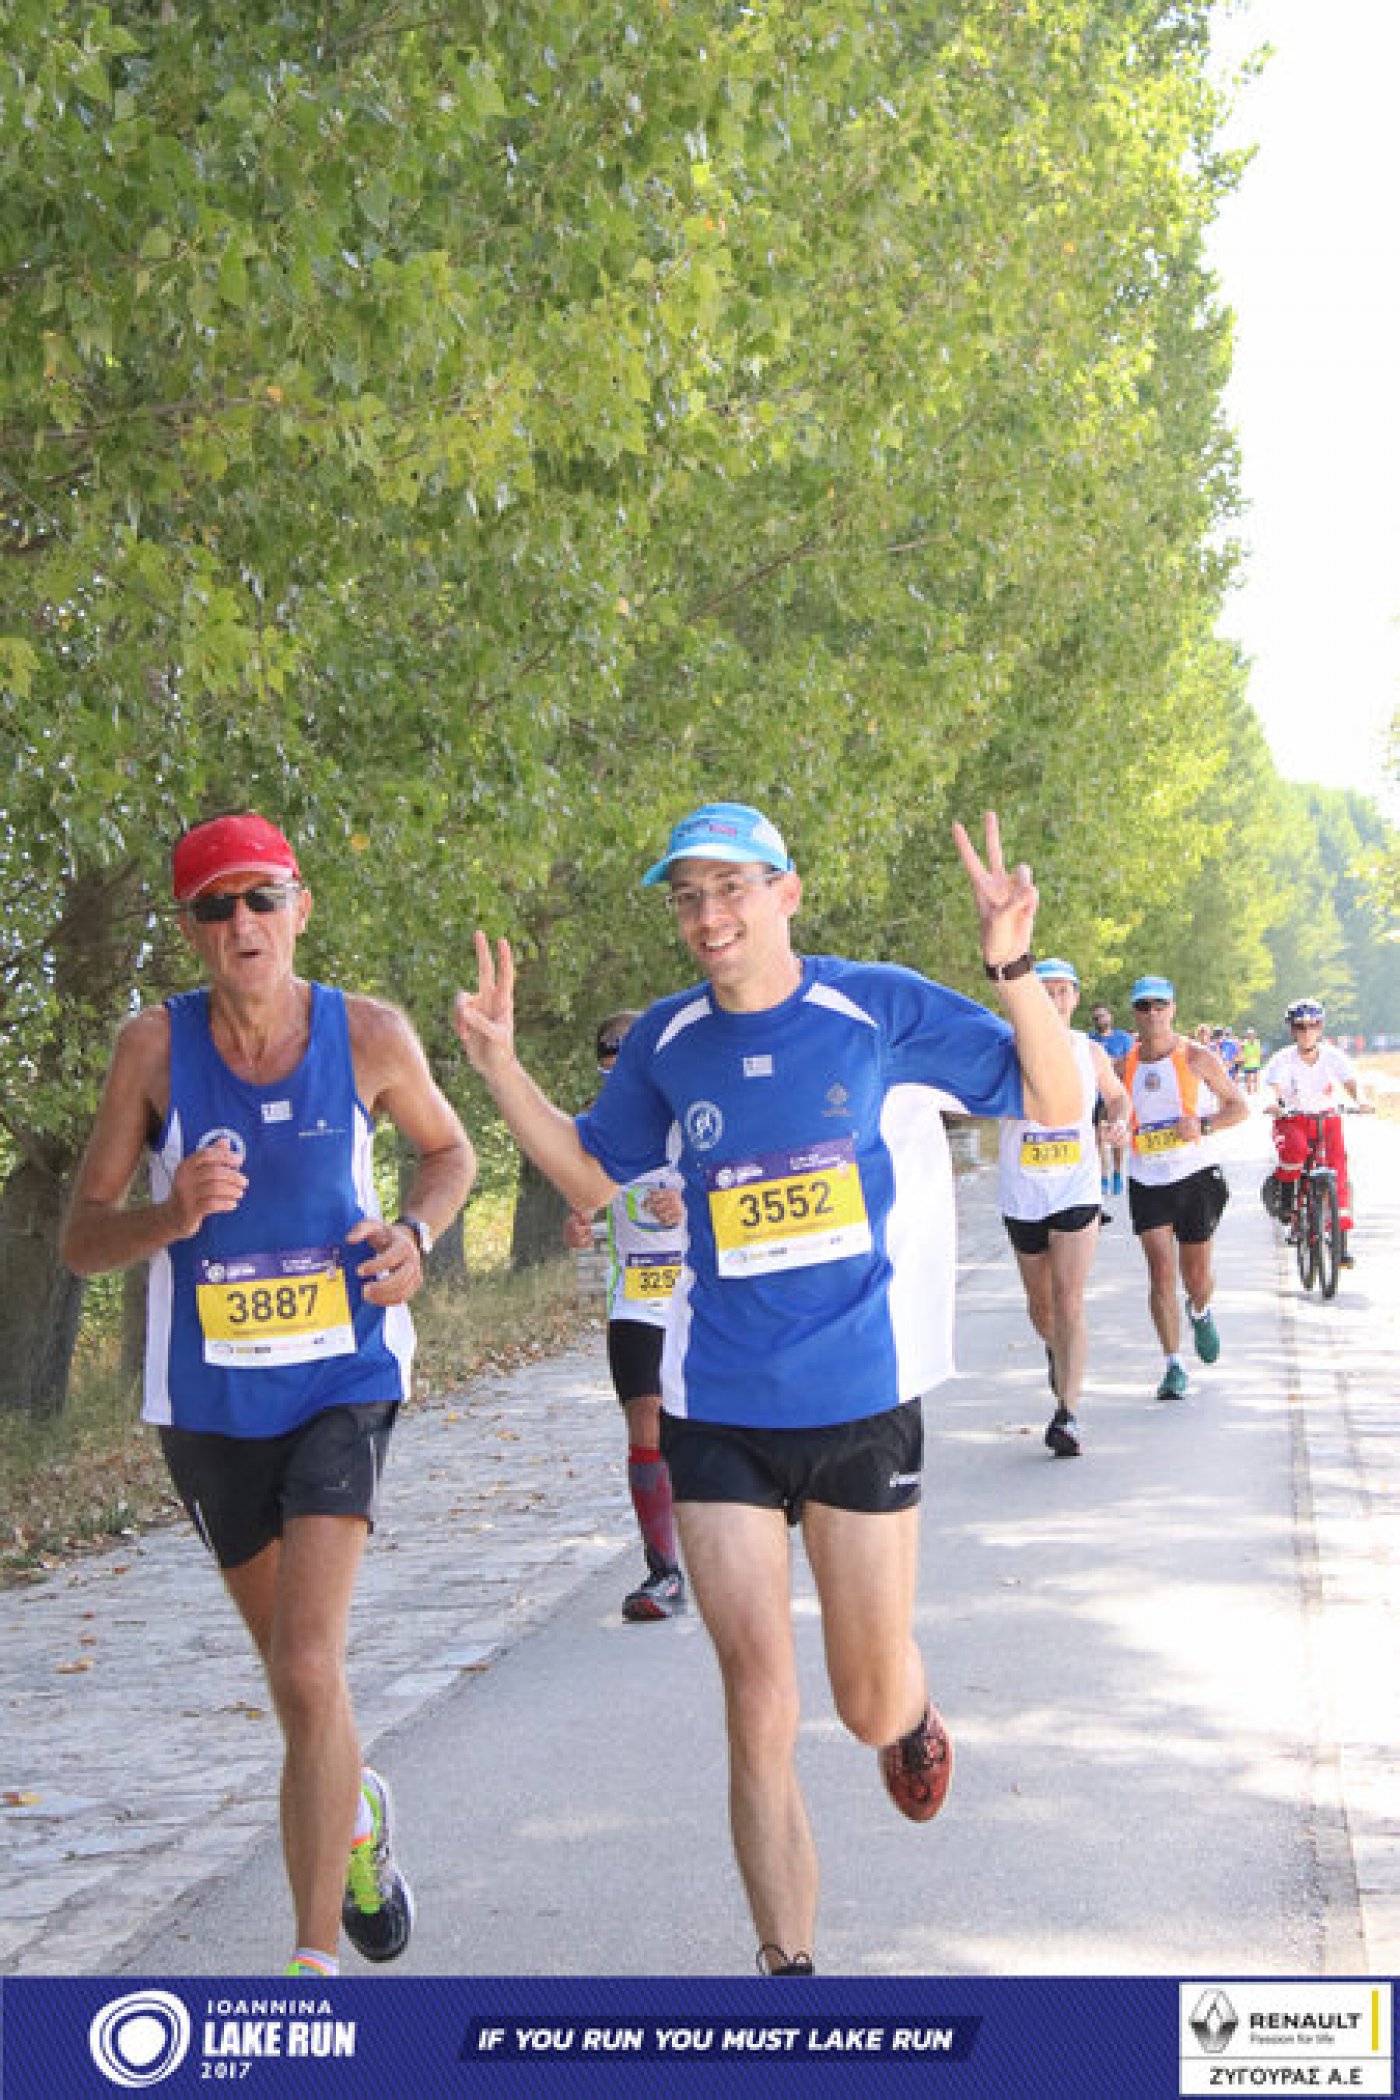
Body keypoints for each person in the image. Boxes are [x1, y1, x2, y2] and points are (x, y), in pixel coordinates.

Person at [452, 800, 1080, 1976]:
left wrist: (1009, 967)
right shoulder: (666, 1041)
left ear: (784, 893)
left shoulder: (870, 1007)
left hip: (857, 1402)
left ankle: (907, 1710)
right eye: (687, 896)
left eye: (730, 888)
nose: (708, 915)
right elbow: (590, 1173)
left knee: (861, 1701)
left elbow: (1051, 1100)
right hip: (716, 1407)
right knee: (755, 1696)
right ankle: (785, 1970)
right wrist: (497, 1065)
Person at [59, 812, 476, 1978]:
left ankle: (309, 1968)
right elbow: (82, 1239)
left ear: (300, 908)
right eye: (216, 905)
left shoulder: (369, 1033)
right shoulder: (153, 1050)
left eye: (262, 897)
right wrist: (171, 1214)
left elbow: (449, 1154)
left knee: (303, 1663)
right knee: (304, 1689)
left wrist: (416, 1234)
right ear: (189, 928)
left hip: (344, 1376)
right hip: (209, 1405)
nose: (242, 921)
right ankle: (355, 1815)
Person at [562, 1010, 688, 1620]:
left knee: (707, 1429)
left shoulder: (692, 1114)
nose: (620, 1086)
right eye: (607, 1075)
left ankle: (734, 1543)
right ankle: (663, 1571)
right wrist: (578, 1223)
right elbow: (582, 1203)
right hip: (636, 1296)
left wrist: (687, 1207)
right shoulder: (599, 1132)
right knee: (645, 1422)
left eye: (627, 1072)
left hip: (697, 1295)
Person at [997, 960, 1131, 1458]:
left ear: (1075, 998)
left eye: (1062, 992)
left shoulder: (1088, 1051)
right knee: (1042, 1306)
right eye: (1045, 991)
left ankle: (1067, 1413)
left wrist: (1117, 1121)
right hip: (1023, 1192)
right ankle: (1060, 1352)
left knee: (1069, 1297)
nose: (1054, 1001)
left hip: (1075, 1188)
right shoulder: (1005, 1046)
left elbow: (1118, 1097)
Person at [1121, 976, 1248, 1402]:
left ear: (1173, 1009)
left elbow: (1239, 1107)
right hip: (1147, 1179)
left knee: (1196, 1277)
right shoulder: (1123, 1065)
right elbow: (1108, 1110)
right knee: (1160, 1272)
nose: (1153, 1013)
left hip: (1195, 1176)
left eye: (1160, 1005)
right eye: (1144, 1006)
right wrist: (1110, 1129)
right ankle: (1173, 1364)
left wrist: (1204, 1125)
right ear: (1135, 1013)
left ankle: (1201, 1310)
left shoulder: (1197, 1057)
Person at [1261, 998, 1371, 1265]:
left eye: (1313, 1025)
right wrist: (1274, 1104)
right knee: (1295, 1152)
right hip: (1292, 1119)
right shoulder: (1283, 1059)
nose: (1307, 1031)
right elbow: (1273, 1087)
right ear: (1292, 1029)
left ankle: (1340, 1242)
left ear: (1321, 1028)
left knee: (1338, 1171)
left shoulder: (1334, 1056)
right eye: (1300, 1026)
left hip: (1327, 1119)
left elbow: (1351, 1082)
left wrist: (1362, 1101)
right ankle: (1287, 1200)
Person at [1085, 1000, 1134, 1199]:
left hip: (1116, 1096)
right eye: (1096, 1017)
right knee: (1097, 1137)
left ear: (1110, 1017)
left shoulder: (1123, 1039)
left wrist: (1113, 1063)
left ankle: (1117, 1173)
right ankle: (1103, 1176)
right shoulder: (1089, 1040)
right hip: (1095, 1096)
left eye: (1102, 1016)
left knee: (1116, 1135)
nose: (1099, 1020)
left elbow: (1131, 1063)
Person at [1239, 1027, 1263, 1096]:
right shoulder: (1255, 1042)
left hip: (1250, 1062)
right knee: (1253, 1078)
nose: (1250, 1036)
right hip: (1252, 1062)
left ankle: (1252, 1092)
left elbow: (1241, 1050)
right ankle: (1254, 1092)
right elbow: (1260, 1053)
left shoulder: (1245, 1042)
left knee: (1251, 1078)